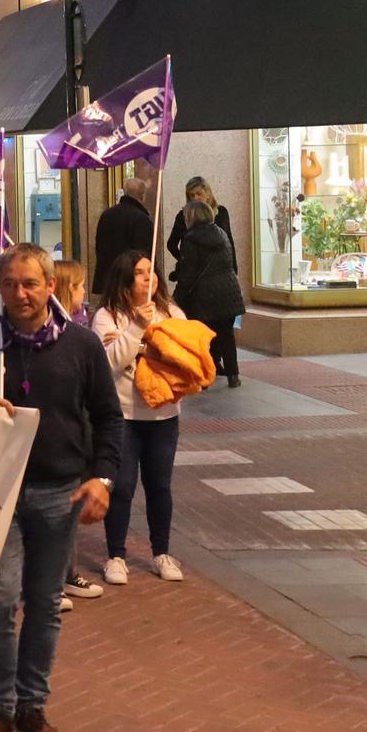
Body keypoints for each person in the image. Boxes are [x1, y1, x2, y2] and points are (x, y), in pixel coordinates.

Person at [0, 243, 125, 732]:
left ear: (49, 286)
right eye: (10, 284)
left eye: (30, 284)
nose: (20, 294)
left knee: (44, 607)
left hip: (59, 492)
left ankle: (32, 709)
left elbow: (109, 418)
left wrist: (102, 479)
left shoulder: (82, 347)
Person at [91, 251, 188, 587]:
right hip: (124, 415)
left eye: (151, 271)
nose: (149, 277)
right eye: (140, 272)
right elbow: (109, 364)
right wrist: (136, 330)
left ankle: (161, 552)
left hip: (163, 416)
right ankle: (115, 555)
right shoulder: (107, 316)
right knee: (123, 487)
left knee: (160, 485)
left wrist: (147, 347)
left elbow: (182, 356)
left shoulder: (171, 312)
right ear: (124, 278)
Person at [46, 264, 104, 608]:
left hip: (81, 425)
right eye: (80, 287)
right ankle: (55, 578)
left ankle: (65, 572)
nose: (85, 293)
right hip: (60, 426)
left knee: (69, 504)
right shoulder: (56, 330)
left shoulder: (82, 326)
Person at [174, 200, 245, 388]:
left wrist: (177, 296)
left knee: (202, 337)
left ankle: (204, 376)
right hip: (229, 292)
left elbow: (189, 272)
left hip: (204, 295)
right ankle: (233, 375)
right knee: (226, 336)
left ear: (191, 217)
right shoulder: (220, 233)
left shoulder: (191, 238)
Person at [91, 175, 154, 294]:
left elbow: (99, 247)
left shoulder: (107, 214)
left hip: (107, 279)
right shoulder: (141, 219)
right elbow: (144, 253)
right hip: (129, 280)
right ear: (142, 196)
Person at [165, 177, 234, 274]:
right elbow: (171, 244)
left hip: (218, 270)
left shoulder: (221, 212)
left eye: (199, 194)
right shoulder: (183, 216)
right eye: (192, 195)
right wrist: (185, 260)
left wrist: (234, 270)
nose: (195, 198)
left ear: (208, 194)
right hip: (193, 272)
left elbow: (229, 242)